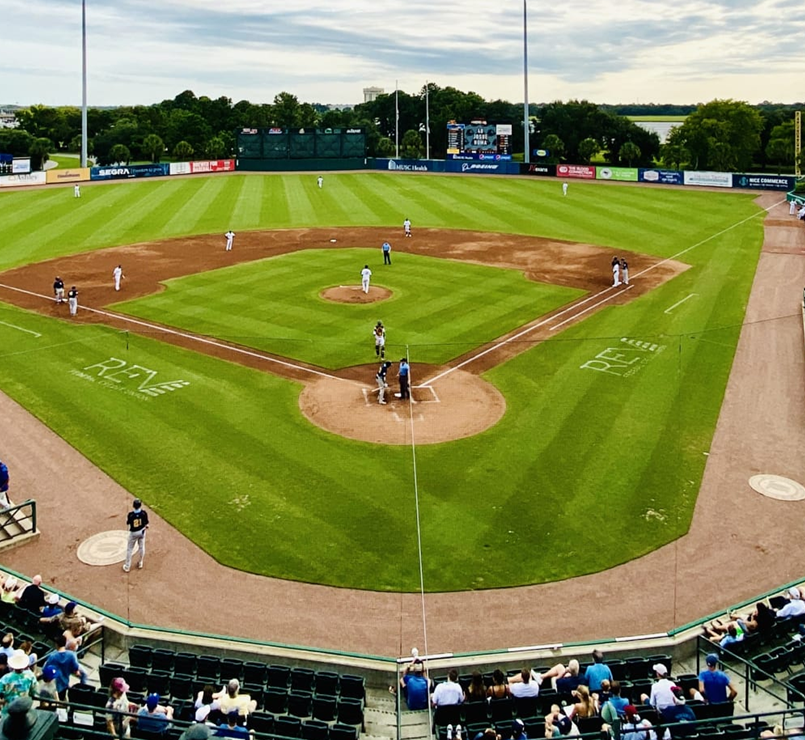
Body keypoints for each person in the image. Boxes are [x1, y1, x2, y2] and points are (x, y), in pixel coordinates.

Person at [42, 634, 86, 700]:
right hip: (64, 684)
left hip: (54, 685)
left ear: (56, 644)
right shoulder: (71, 655)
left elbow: (45, 669)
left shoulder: (52, 656)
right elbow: (76, 670)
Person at [0, 650, 37, 715]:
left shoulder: (5, 678)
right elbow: (34, 692)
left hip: (8, 710)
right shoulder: (31, 676)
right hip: (24, 708)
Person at [124, 498, 149, 572]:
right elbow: (146, 522)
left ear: (133, 506)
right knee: (141, 547)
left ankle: (127, 566)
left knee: (129, 549)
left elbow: (128, 523)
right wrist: (146, 526)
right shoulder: (144, 513)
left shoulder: (131, 515)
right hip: (142, 532)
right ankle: (140, 562)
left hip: (134, 533)